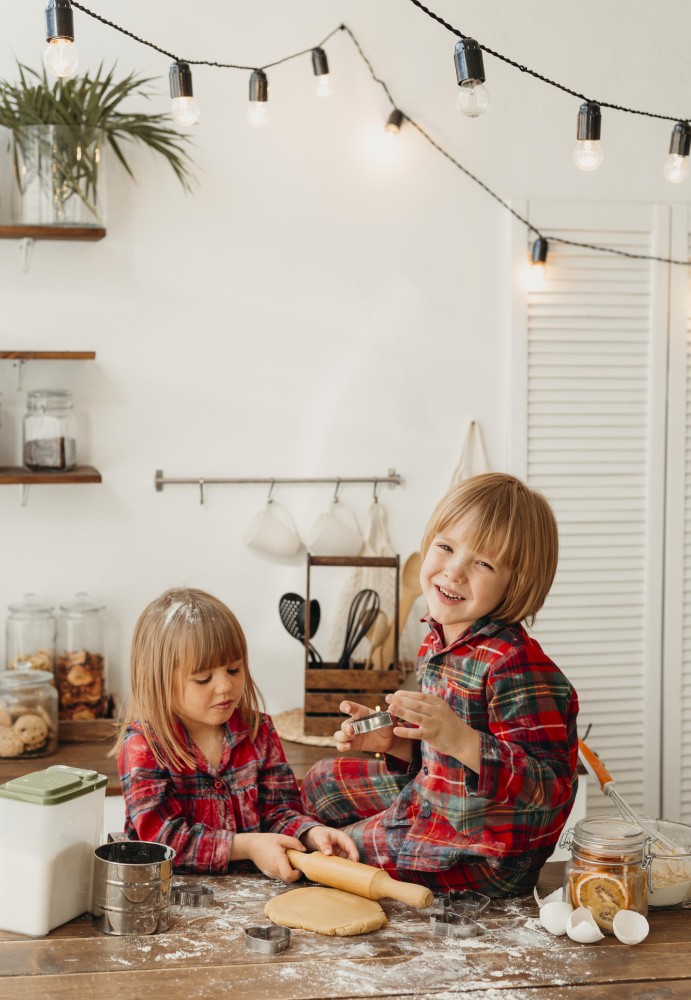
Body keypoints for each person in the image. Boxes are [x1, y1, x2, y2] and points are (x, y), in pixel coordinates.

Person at [300, 473, 579, 897]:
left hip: (484, 849)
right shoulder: (438, 638)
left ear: (516, 581)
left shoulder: (515, 665)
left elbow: (549, 791)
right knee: (320, 781)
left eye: (483, 563)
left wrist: (461, 739)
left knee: (334, 856)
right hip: (439, 799)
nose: (454, 571)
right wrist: (393, 741)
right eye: (446, 547)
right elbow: (438, 758)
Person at [115, 587, 358, 878]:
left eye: (233, 670)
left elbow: (278, 811)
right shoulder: (144, 746)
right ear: (158, 682)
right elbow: (162, 842)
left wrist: (310, 833)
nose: (225, 687)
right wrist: (248, 846)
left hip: (254, 895)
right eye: (203, 679)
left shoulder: (259, 731)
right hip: (171, 898)